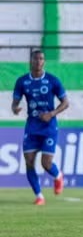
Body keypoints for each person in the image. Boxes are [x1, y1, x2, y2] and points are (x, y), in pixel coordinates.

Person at [11, 50, 69, 205]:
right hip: (32, 127)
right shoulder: (22, 81)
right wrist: (15, 108)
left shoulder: (52, 80)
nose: (38, 61)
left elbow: (65, 103)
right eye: (36, 58)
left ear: (44, 62)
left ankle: (58, 176)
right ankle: (39, 196)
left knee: (46, 163)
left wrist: (52, 113)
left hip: (49, 126)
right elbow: (15, 102)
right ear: (31, 60)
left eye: (41, 59)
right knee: (29, 161)